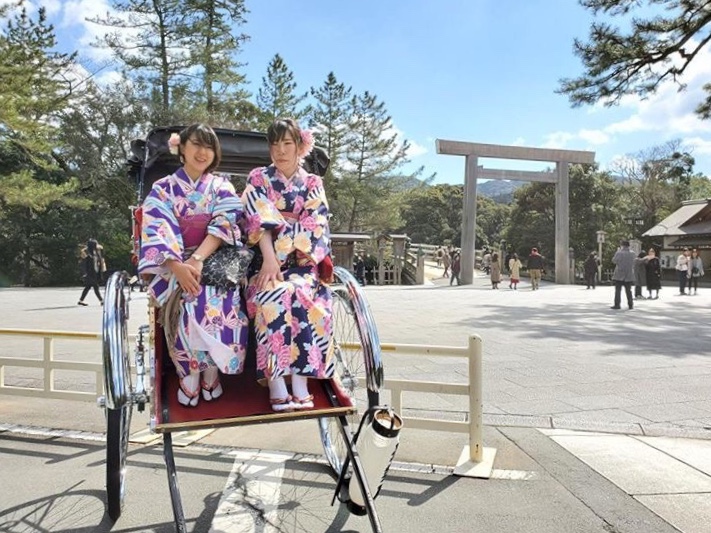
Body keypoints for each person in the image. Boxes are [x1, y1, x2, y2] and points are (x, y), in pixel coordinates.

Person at [139, 123, 249, 407]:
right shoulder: (163, 188)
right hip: (172, 261)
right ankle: (189, 374)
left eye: (209, 146)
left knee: (222, 298)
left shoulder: (221, 186)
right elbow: (158, 228)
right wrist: (178, 266)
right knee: (189, 296)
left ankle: (212, 370)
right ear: (182, 149)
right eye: (197, 145)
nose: (203, 152)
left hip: (214, 259)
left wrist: (198, 259)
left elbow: (225, 223)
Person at [242, 118, 333, 412]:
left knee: (304, 295)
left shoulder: (312, 183)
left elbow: (315, 223)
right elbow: (260, 222)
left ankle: (300, 380)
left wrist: (288, 240)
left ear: (299, 146)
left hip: (301, 263)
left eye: (287, 143)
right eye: (275, 144)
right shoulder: (258, 178)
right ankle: (276, 380)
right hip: (264, 259)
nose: (280, 150)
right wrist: (270, 258)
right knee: (272, 295)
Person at [77, 238, 105, 306]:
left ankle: (81, 300)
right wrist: (84, 273)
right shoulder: (87, 254)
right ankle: (101, 301)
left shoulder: (95, 252)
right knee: (95, 286)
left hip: (95, 272)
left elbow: (101, 248)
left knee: (88, 287)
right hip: (90, 273)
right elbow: (83, 263)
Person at [611, 240, 636, 310]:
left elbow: (614, 261)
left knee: (618, 290)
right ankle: (630, 305)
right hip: (629, 274)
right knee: (628, 290)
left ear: (622, 245)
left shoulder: (619, 253)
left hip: (619, 274)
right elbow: (634, 262)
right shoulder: (633, 253)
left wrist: (617, 251)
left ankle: (617, 304)